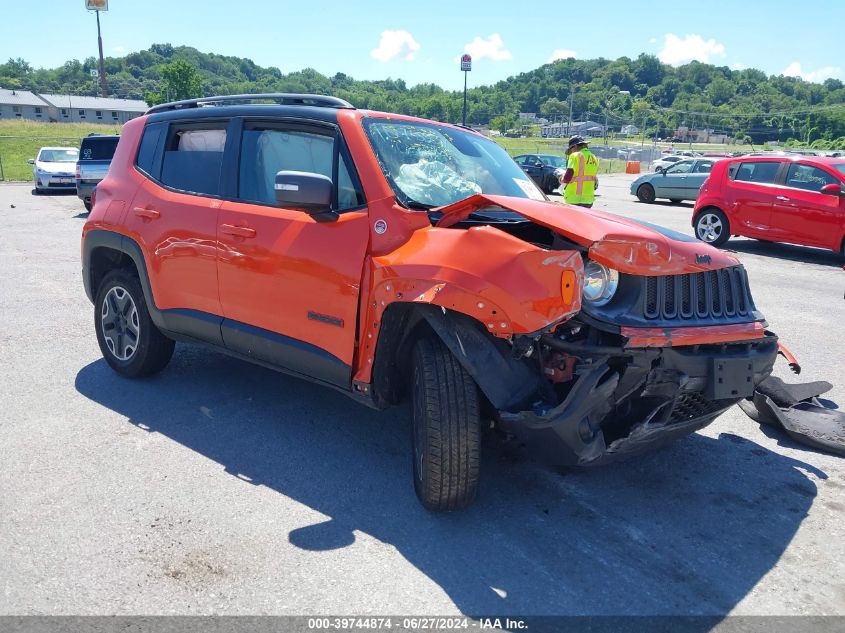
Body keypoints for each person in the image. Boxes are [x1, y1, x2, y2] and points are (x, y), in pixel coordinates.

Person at [559, 135, 599, 208]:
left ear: (575, 146)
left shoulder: (575, 155)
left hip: (574, 198)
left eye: (571, 149)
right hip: (589, 199)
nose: (571, 151)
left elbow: (568, 176)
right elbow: (594, 179)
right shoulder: (594, 157)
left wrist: (561, 179)